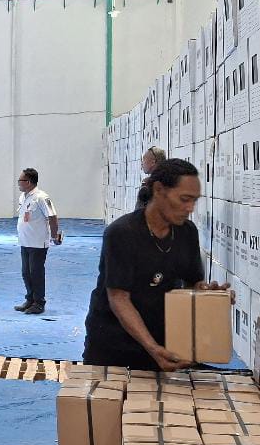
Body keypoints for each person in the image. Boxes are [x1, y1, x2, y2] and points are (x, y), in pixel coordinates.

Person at [83, 159, 233, 371]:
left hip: (162, 339)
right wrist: (151, 347)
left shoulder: (187, 232)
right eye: (184, 199)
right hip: (115, 344)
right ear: (159, 189)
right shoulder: (122, 233)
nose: (190, 208)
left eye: (194, 201)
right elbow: (118, 298)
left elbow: (192, 284)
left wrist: (209, 295)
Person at [14, 168, 61, 315]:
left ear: (28, 182)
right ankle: (30, 299)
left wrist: (54, 236)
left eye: (20, 180)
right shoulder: (23, 197)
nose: (18, 183)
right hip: (25, 241)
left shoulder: (41, 197)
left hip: (38, 243)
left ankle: (39, 303)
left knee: (36, 273)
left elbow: (52, 216)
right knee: (26, 273)